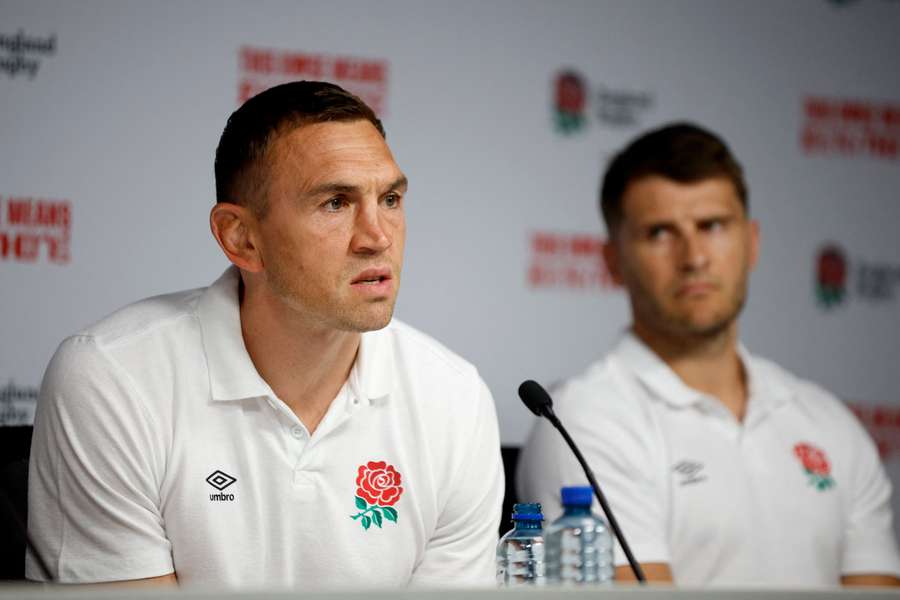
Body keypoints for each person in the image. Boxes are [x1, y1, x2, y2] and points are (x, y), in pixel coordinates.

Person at [26, 81, 504, 587]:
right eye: (336, 203)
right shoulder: (113, 378)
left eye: (390, 198)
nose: (378, 236)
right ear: (241, 238)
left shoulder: (455, 399)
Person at [517, 122, 900, 587]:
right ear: (613, 261)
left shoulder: (830, 423)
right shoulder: (584, 420)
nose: (694, 256)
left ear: (752, 242)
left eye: (712, 226)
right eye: (660, 233)